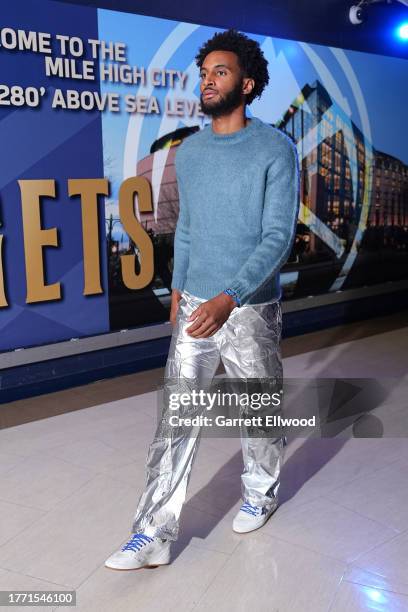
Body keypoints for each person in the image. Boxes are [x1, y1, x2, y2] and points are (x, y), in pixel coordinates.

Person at [105, 28, 300, 571]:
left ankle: (261, 493)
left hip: (250, 307)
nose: (208, 81)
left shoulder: (275, 149)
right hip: (195, 305)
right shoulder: (189, 152)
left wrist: (229, 297)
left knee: (257, 412)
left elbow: (277, 237)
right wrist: (180, 289)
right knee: (176, 417)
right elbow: (186, 227)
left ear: (248, 83)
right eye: (204, 73)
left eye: (220, 72)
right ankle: (153, 533)